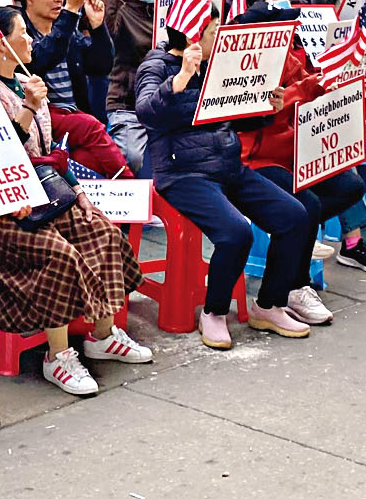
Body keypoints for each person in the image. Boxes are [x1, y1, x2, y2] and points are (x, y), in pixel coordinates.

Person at [0, 7, 150, 394]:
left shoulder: (23, 80)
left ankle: (102, 335)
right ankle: (58, 357)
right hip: (6, 207)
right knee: (60, 254)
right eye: (23, 34)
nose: (32, 41)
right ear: (2, 41)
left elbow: (50, 152)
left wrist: (79, 193)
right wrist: (29, 108)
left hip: (49, 191)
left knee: (102, 232)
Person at [135, 18, 317, 348]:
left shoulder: (216, 65)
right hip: (182, 173)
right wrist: (179, 81)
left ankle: (268, 305)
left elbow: (235, 114)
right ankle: (214, 312)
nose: (220, 38)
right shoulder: (156, 65)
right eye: (212, 33)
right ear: (191, 35)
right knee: (236, 233)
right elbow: (146, 112)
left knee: (295, 216)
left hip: (228, 165)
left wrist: (267, 107)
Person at [230, 0, 366, 285]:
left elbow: (308, 89)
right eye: (282, 26)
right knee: (308, 205)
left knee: (351, 186)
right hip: (254, 160)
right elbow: (263, 108)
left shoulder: (288, 58)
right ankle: (294, 281)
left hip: (294, 153)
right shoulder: (238, 64)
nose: (290, 30)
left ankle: (299, 233)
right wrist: (308, 88)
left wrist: (334, 83)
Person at [21, 0, 130, 176]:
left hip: (74, 117)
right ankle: (137, 190)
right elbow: (41, 59)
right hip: (44, 119)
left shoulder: (67, 29)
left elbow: (100, 65)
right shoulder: (20, 32)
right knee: (90, 126)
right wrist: (70, 11)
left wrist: (98, 27)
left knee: (89, 162)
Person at [104, 0, 166, 174]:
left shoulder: (163, 13)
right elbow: (108, 32)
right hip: (127, 104)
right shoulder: (121, 13)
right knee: (132, 159)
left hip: (160, 102)